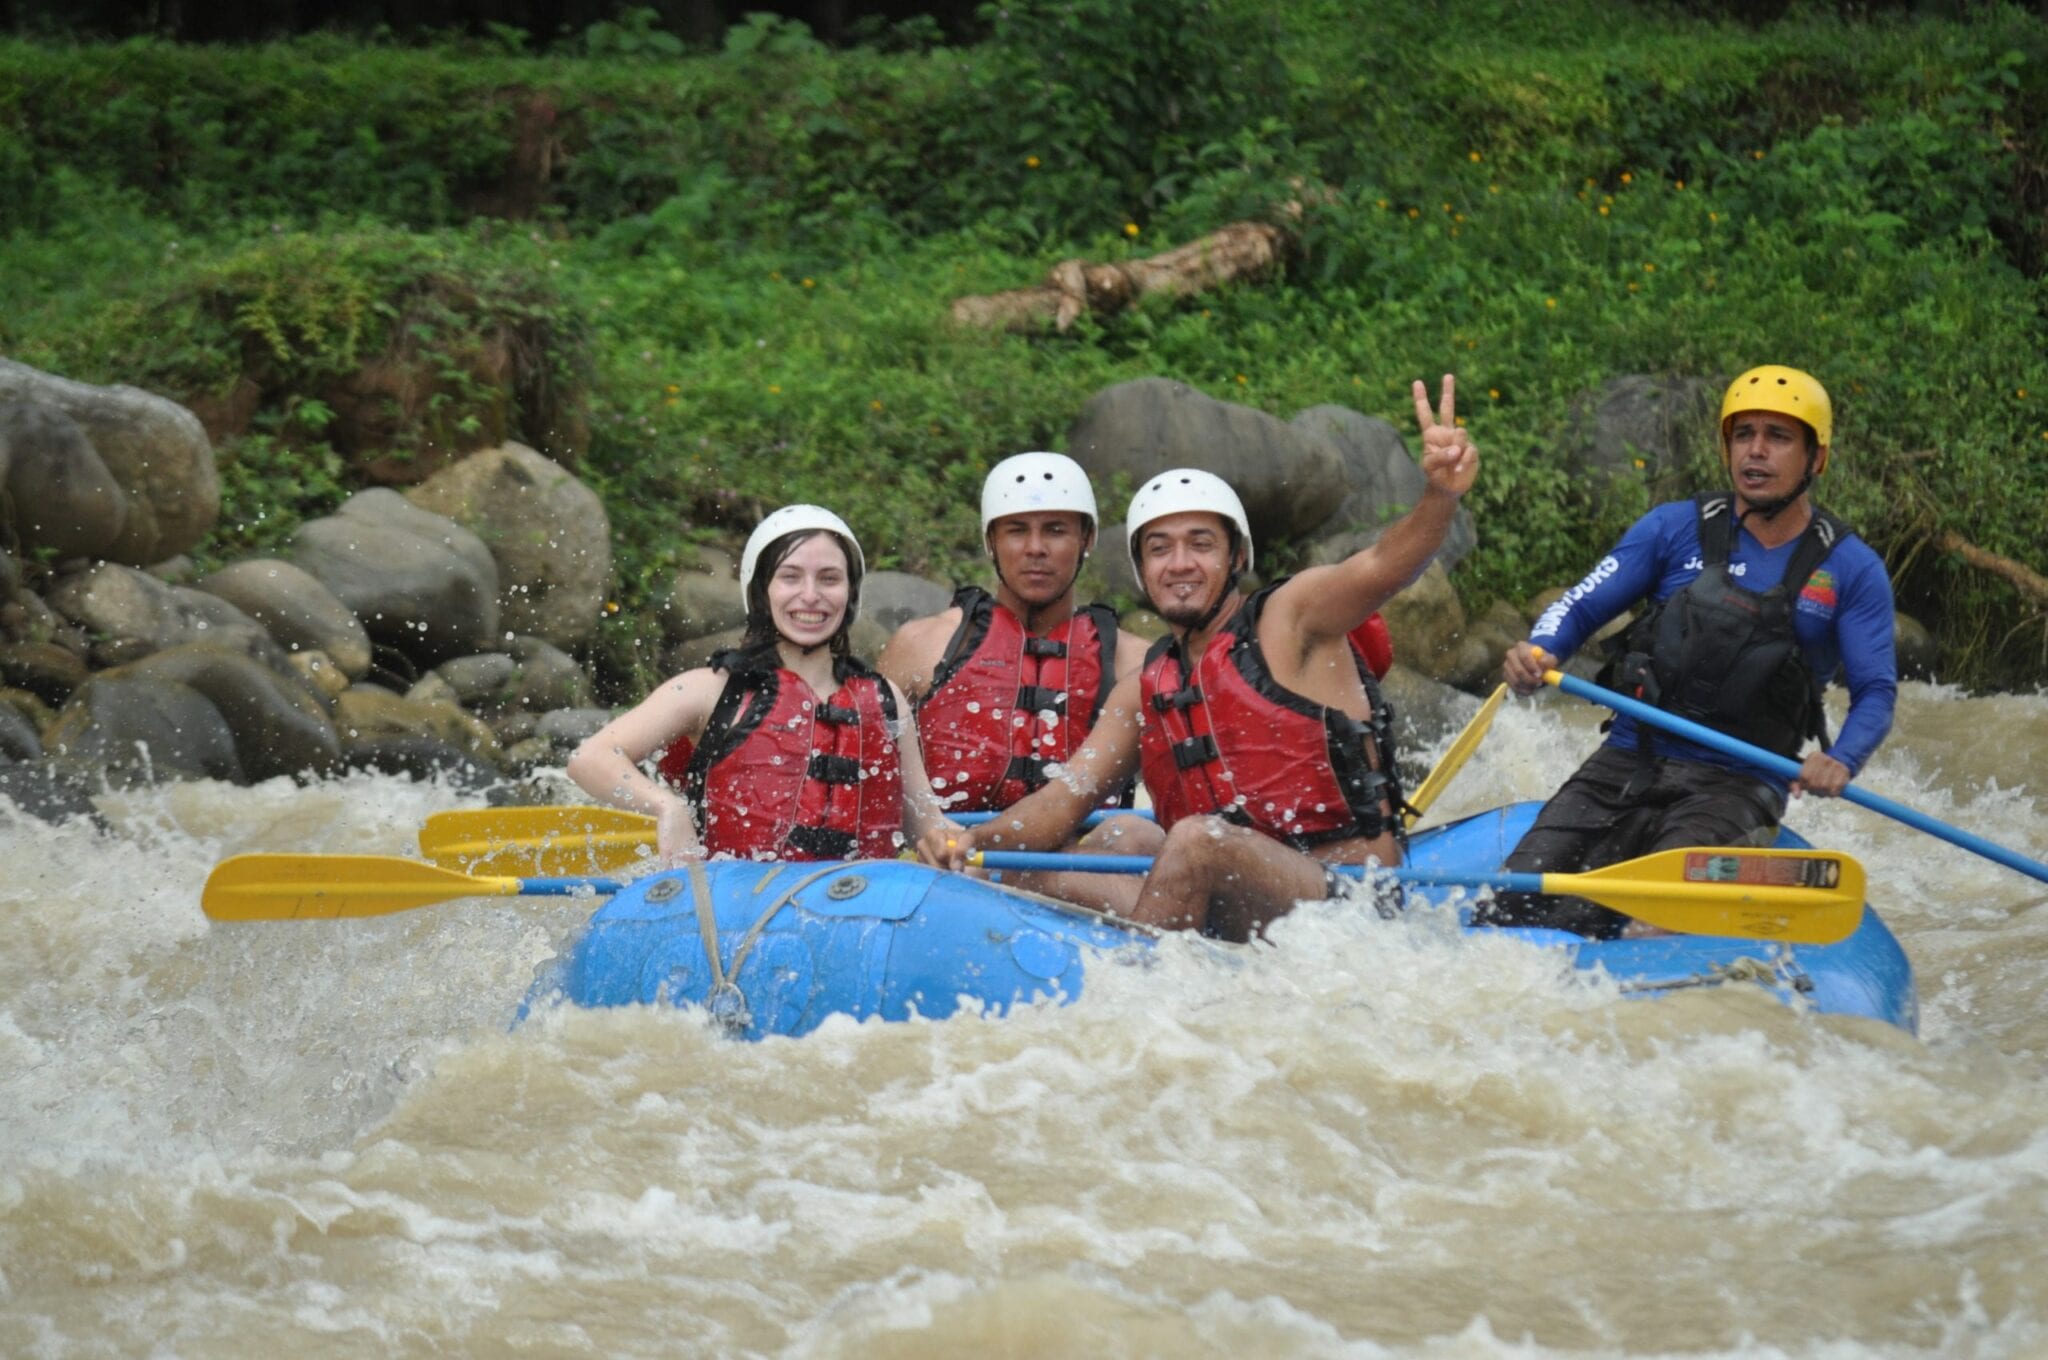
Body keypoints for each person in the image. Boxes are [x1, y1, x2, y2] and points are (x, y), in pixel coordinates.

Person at [923, 377, 1478, 941]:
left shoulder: (1292, 618)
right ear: (1141, 570)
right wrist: (969, 843)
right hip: (1233, 909)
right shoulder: (1145, 689)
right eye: (1160, 549)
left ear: (1237, 554)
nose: (1179, 564)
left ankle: (1139, 995)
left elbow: (1385, 564)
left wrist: (1440, 496)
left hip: (1345, 902)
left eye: (1201, 544)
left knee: (1195, 840)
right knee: (1075, 854)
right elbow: (1061, 804)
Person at [1485, 364, 1897, 938]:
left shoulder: (1851, 569)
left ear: (1816, 458)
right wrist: (1541, 649)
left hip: (1738, 783)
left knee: (1650, 925)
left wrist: (1842, 758)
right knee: (1508, 907)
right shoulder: (1673, 528)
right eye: (1743, 434)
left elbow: (1876, 691)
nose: (1755, 452)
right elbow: (1578, 605)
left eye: (1777, 437)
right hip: (1627, 761)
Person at [568, 505, 946, 865]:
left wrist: (960, 843)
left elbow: (925, 821)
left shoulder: (885, 700)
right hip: (742, 911)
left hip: (862, 908)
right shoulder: (711, 691)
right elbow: (590, 757)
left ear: (851, 593)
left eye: (829, 578)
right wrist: (667, 806)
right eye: (790, 576)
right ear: (761, 589)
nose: (811, 595)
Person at [877, 451, 1150, 819]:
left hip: (1089, 860)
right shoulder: (920, 645)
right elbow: (871, 784)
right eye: (1017, 530)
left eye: (1055, 530)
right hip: (947, 858)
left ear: (1087, 539)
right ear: (991, 541)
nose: (1035, 548)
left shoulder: (1136, 663)